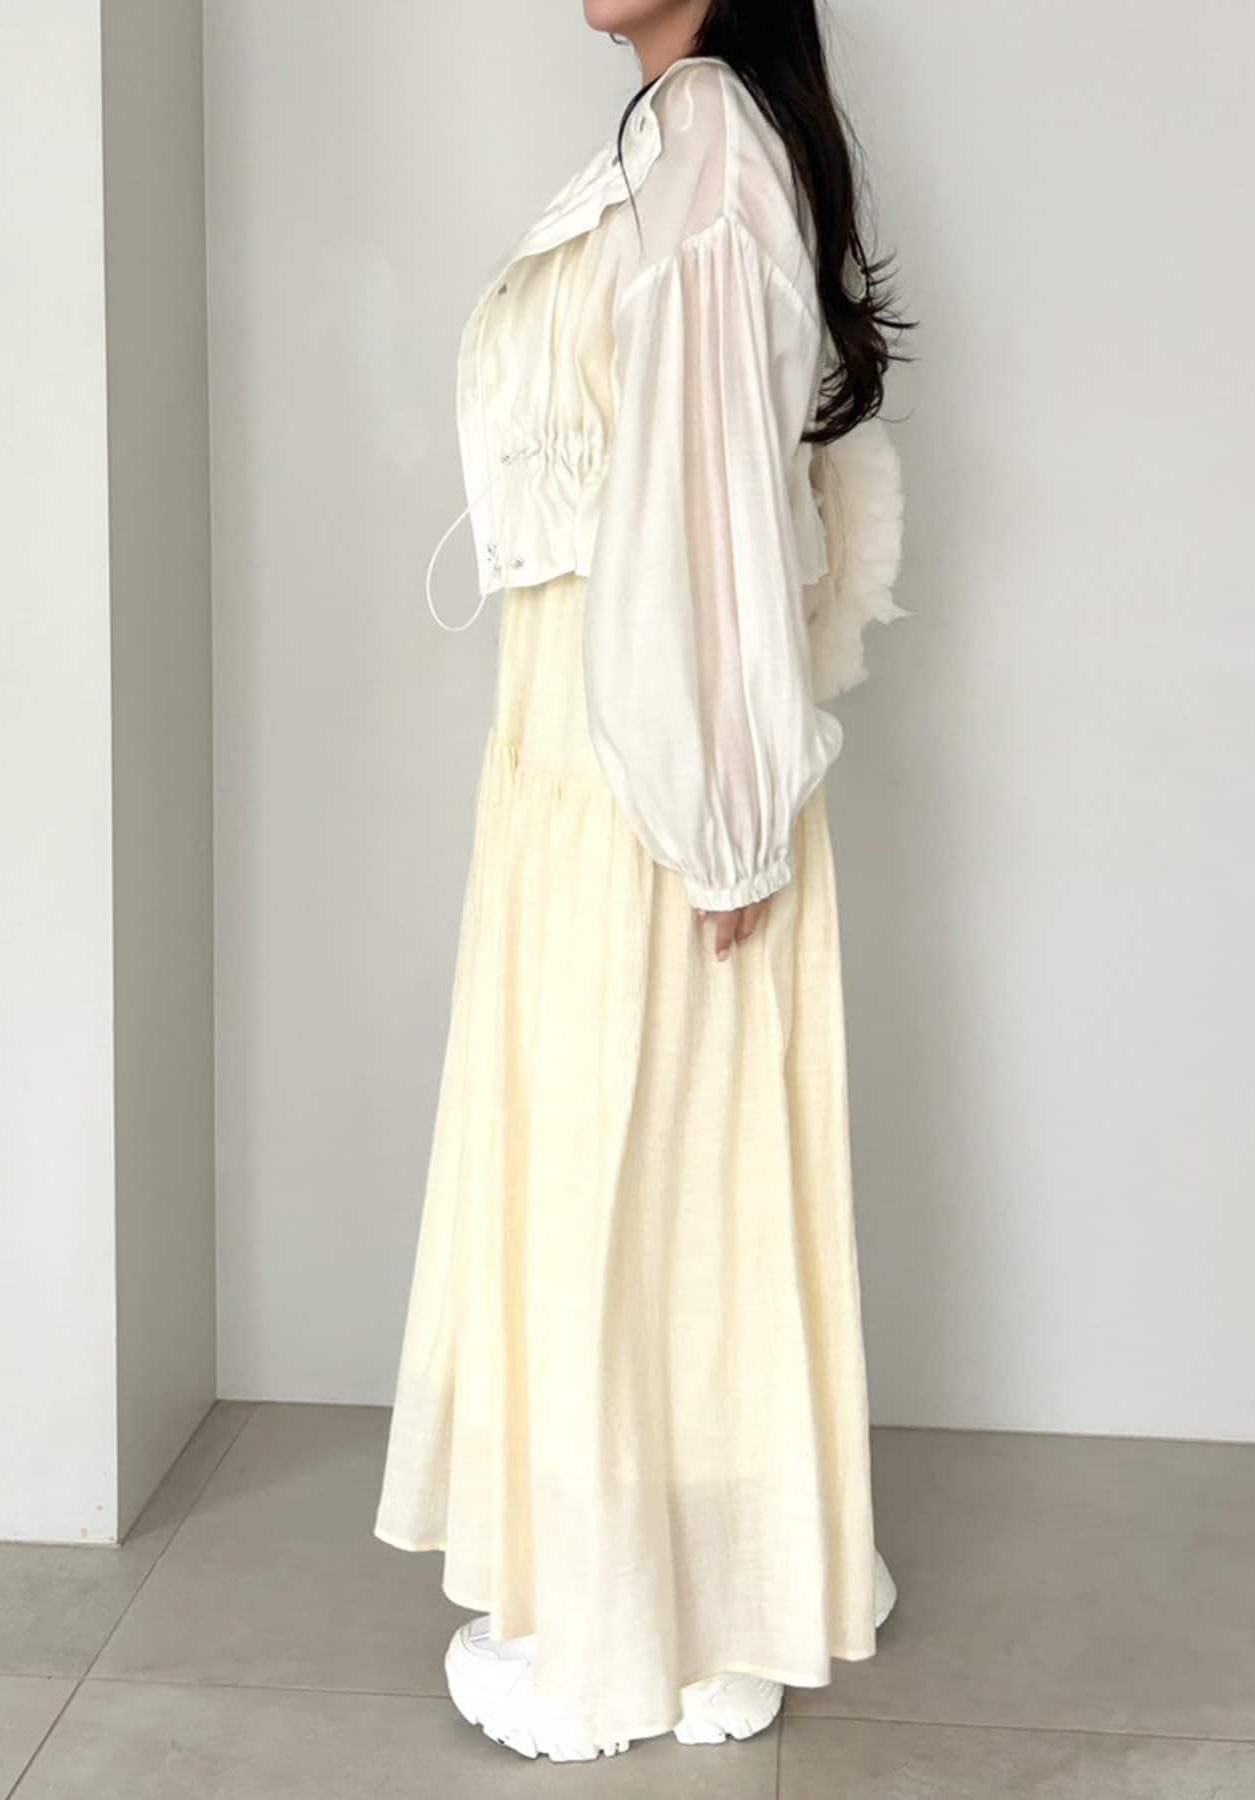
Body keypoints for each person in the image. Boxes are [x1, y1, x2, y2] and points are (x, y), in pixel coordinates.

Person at [375, 0, 913, 1762]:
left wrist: (722, 813)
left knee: (647, 1165)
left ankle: (649, 1632)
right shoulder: (674, 142)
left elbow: (720, 521)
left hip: (644, 760)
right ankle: (677, 1599)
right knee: (636, 1164)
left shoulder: (709, 158)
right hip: (589, 741)